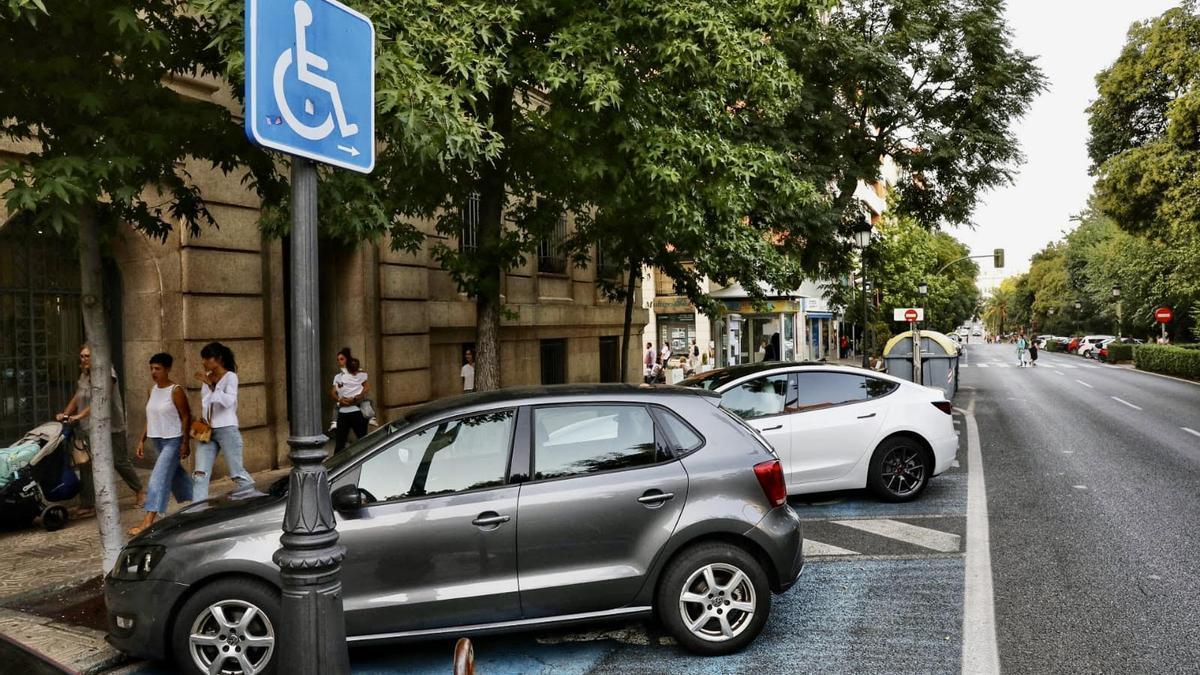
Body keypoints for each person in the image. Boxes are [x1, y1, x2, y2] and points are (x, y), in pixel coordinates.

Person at [56, 344, 145, 518]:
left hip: (110, 426)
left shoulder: (107, 373)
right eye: (82, 356)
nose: (84, 359)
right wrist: (65, 414)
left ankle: (140, 490)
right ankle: (87, 503)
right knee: (85, 463)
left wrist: (79, 415)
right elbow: (78, 396)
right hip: (89, 427)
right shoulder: (84, 374)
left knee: (119, 461)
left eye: (87, 356)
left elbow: (101, 398)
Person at [128, 353, 192, 536]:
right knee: (177, 476)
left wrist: (185, 442)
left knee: (158, 477)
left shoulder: (176, 390)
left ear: (167, 369)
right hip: (157, 440)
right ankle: (201, 502)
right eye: (151, 368)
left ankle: (148, 520)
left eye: (158, 369)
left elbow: (186, 416)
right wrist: (142, 439)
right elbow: (151, 417)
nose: (153, 372)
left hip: (173, 440)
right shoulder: (152, 390)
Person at [192, 342, 254, 500]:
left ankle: (256, 500)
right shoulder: (207, 377)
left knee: (237, 473)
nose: (203, 362)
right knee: (200, 474)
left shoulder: (230, 377)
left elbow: (228, 402)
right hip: (207, 431)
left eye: (207, 358)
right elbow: (206, 402)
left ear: (218, 358)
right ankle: (197, 512)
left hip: (227, 429)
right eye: (203, 358)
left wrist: (212, 385)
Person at [331, 347, 370, 453]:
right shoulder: (338, 377)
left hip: (357, 411)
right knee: (340, 442)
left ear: (347, 359)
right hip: (343, 413)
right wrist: (340, 400)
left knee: (362, 440)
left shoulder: (357, 374)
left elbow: (366, 387)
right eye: (338, 360)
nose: (339, 362)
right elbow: (333, 392)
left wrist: (358, 396)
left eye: (342, 359)